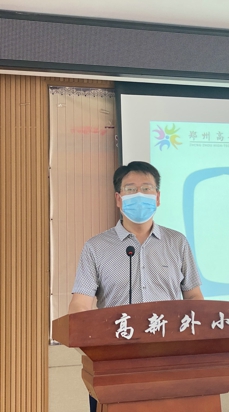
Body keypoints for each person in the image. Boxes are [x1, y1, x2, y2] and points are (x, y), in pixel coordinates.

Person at [68, 161, 204, 411]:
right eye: (130, 189)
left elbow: (194, 296)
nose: (139, 195)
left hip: (170, 359)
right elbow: (80, 305)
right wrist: (89, 345)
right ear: (118, 199)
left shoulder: (177, 243)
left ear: (158, 197)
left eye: (146, 188)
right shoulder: (96, 247)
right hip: (114, 362)